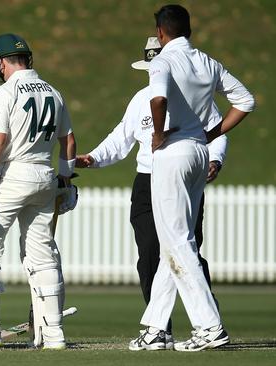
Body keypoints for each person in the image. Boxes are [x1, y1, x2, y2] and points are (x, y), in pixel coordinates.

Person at [75, 37, 229, 351]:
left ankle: (208, 322)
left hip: (179, 175)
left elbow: (216, 130)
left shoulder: (190, 95)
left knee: (184, 249)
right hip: (147, 180)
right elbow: (120, 138)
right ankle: (160, 329)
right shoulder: (139, 99)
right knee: (151, 256)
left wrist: (215, 159)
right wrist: (94, 158)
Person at [133, 5, 254, 352]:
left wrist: (157, 134)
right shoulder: (208, 62)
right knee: (176, 240)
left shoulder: (162, 61)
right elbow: (245, 101)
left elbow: (157, 97)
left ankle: (210, 325)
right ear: (189, 29)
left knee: (178, 241)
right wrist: (211, 132)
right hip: (200, 153)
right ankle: (156, 327)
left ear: (160, 32)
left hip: (173, 153)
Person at [0, 33, 77, 349]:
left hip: (15, 173)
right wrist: (66, 181)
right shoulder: (54, 92)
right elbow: (68, 140)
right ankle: (53, 333)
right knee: (42, 254)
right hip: (45, 175)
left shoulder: (6, 92)